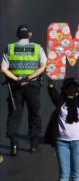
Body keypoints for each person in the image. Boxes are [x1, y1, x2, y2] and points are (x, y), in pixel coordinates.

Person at [3, 23, 47, 156]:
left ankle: (13, 143)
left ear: (17, 35)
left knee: (14, 115)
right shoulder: (37, 48)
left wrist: (17, 79)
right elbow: (43, 66)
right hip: (32, 85)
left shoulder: (10, 48)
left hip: (16, 86)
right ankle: (33, 143)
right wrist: (28, 78)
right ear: (30, 35)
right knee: (34, 113)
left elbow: (3, 68)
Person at [46, 78, 79, 181]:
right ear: (65, 89)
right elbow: (52, 89)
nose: (73, 89)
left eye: (75, 87)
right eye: (70, 87)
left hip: (78, 142)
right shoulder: (60, 101)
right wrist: (50, 75)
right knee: (64, 175)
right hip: (62, 143)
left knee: (76, 175)